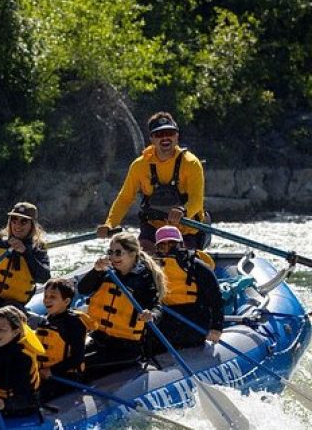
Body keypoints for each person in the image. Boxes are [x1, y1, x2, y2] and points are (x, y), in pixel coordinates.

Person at [97, 111, 208, 251]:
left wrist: (183, 211)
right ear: (152, 139)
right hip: (153, 229)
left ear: (177, 136)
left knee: (177, 261)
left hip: (186, 231)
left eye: (170, 133)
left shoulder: (191, 163)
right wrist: (110, 224)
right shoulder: (139, 165)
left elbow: (197, 200)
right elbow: (125, 199)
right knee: (143, 259)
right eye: (159, 135)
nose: (165, 138)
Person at [77, 232, 166, 378]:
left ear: (132, 254)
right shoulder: (106, 273)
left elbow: (157, 306)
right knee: (69, 358)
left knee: (81, 364)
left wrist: (151, 315)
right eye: (110, 252)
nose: (113, 257)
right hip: (99, 338)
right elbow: (83, 289)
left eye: (118, 253)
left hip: (126, 346)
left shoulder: (143, 279)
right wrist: (95, 271)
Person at [152, 225, 224, 350]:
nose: (168, 250)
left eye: (172, 245)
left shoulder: (198, 267)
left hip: (193, 322)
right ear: (157, 248)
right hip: (164, 320)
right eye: (163, 246)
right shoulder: (151, 269)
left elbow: (216, 299)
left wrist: (216, 328)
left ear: (181, 245)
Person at [0, 202, 51, 320]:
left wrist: (25, 253)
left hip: (13, 306)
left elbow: (44, 277)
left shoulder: (37, 249)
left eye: (24, 221)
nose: (18, 225)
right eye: (14, 219)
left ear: (32, 225)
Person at [32, 278, 92, 405]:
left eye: (52, 297)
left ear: (66, 301)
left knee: (33, 397)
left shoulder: (73, 323)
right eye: (45, 296)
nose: (47, 300)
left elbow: (78, 358)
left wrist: (52, 371)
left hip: (65, 377)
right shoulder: (46, 320)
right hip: (44, 374)